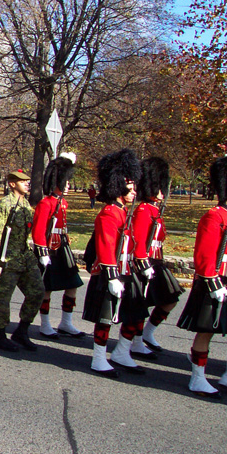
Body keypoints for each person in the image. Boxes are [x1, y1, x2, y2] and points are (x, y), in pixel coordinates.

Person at [82, 149, 146, 378]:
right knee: (106, 318)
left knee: (136, 313)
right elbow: (106, 246)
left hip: (126, 270)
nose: (134, 191)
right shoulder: (109, 213)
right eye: (130, 187)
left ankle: (122, 352)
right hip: (111, 273)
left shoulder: (124, 212)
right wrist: (111, 277)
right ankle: (98, 358)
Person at [177, 156, 227, 398]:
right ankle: (197, 377)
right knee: (206, 331)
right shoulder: (214, 216)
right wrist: (213, 282)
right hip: (216, 280)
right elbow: (205, 254)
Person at [0, 169, 45, 352]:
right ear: (12, 184)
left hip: (25, 256)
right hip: (8, 258)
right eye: (23, 181)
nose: (27, 183)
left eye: (28, 181)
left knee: (37, 291)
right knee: (3, 297)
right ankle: (0, 335)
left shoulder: (26, 204)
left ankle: (22, 330)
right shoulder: (5, 204)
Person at [133, 157, 185, 354]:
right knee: (141, 304)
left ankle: (148, 332)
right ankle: (136, 340)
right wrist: (142, 263)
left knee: (170, 298)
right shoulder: (144, 210)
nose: (163, 191)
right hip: (145, 262)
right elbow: (138, 241)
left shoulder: (155, 210)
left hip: (157, 261)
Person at [33, 153, 86, 339]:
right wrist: (42, 252)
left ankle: (66, 322)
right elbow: (38, 230)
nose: (69, 185)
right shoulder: (45, 203)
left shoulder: (63, 202)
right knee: (47, 288)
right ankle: (45, 324)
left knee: (73, 284)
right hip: (49, 249)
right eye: (66, 182)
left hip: (62, 248)